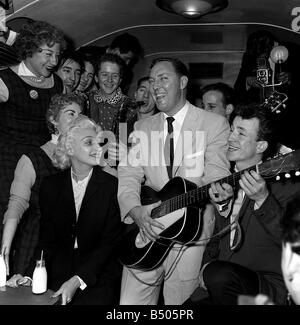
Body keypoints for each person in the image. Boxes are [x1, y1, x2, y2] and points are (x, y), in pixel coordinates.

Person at [117, 57, 230, 305]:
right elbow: (129, 173)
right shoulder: (141, 127)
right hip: (146, 227)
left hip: (190, 234)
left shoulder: (214, 124)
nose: (156, 86)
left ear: (183, 82)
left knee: (179, 305)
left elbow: (216, 172)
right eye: (152, 80)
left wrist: (219, 192)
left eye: (163, 78)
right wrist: (135, 210)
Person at [188, 103, 300, 305]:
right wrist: (206, 265)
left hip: (264, 289)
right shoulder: (226, 183)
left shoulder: (288, 186)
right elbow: (216, 241)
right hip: (219, 283)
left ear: (261, 146)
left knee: (219, 274)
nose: (230, 138)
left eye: (241, 133)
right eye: (232, 130)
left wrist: (263, 200)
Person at [6, 115, 123, 305]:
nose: (98, 148)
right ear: (70, 148)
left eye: (99, 142)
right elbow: (46, 241)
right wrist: (29, 278)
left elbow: (109, 245)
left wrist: (77, 280)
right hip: (57, 274)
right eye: (89, 142)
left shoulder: (112, 186)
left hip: (97, 278)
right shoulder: (51, 186)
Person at [1, 93, 83, 276]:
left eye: (80, 115)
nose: (78, 120)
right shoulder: (33, 159)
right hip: (36, 248)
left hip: (71, 250)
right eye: (71, 113)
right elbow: (15, 207)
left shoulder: (84, 160)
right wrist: (4, 251)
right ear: (54, 120)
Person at [0, 20, 66, 237]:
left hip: (43, 163)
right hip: (8, 164)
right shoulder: (5, 80)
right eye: (48, 54)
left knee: (37, 229)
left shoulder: (58, 85)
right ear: (29, 50)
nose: (54, 61)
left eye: (56, 55)